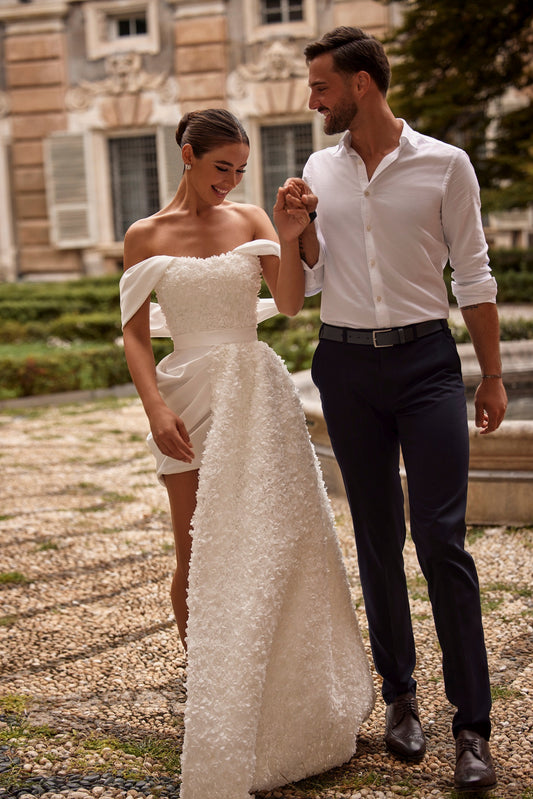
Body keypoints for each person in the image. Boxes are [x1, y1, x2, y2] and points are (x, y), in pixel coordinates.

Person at [119, 108, 374, 799]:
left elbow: (289, 304)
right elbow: (135, 335)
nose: (231, 181)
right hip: (185, 396)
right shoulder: (145, 235)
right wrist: (155, 406)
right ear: (187, 156)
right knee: (193, 550)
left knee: (270, 541)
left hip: (254, 395)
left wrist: (290, 236)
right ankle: (214, 701)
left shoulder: (254, 220)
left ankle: (272, 693)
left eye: (239, 168)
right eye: (219, 167)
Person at [284, 26, 508, 794]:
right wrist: (298, 230)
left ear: (361, 85)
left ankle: (471, 726)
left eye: (319, 87)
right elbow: (309, 285)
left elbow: (473, 275)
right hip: (344, 364)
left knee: (441, 538)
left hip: (424, 364)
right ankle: (400, 697)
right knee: (376, 535)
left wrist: (491, 377)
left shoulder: (444, 164)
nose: (310, 100)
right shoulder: (318, 167)